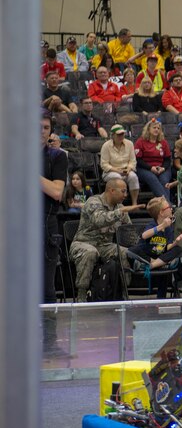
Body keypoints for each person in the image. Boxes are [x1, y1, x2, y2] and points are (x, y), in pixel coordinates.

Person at [69, 178, 142, 301]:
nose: (125, 195)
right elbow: (99, 220)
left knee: (125, 253)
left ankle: (122, 292)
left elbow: (129, 232)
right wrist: (120, 212)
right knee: (90, 252)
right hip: (83, 243)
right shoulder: (93, 201)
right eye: (123, 191)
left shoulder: (119, 207)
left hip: (105, 245)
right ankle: (81, 295)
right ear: (112, 190)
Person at [42, 114, 68, 355]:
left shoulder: (57, 157)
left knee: (48, 288)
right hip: (17, 225)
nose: (41, 131)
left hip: (47, 226)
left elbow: (57, 191)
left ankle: (49, 342)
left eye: (46, 128)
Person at [128, 197, 182, 298]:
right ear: (161, 212)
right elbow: (144, 235)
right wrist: (161, 226)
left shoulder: (169, 228)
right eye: (169, 207)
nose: (171, 209)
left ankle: (153, 265)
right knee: (132, 250)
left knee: (178, 249)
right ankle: (154, 263)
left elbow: (167, 247)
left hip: (160, 257)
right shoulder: (153, 224)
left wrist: (176, 242)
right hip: (147, 256)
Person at [100, 124, 140, 205]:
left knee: (133, 177)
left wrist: (128, 169)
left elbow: (133, 161)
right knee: (117, 178)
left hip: (126, 170)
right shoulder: (106, 146)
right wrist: (117, 170)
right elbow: (104, 164)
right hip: (110, 171)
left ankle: (134, 203)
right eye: (119, 134)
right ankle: (118, 204)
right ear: (113, 135)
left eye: (122, 134)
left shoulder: (130, 144)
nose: (121, 136)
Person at [134, 119, 173, 201]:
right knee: (151, 178)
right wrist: (150, 168)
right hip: (144, 168)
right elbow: (138, 160)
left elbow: (167, 160)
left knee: (164, 180)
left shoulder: (163, 142)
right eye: (154, 127)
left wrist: (163, 168)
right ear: (148, 129)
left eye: (158, 128)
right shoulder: (140, 141)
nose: (156, 129)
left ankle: (165, 206)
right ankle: (167, 205)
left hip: (162, 168)